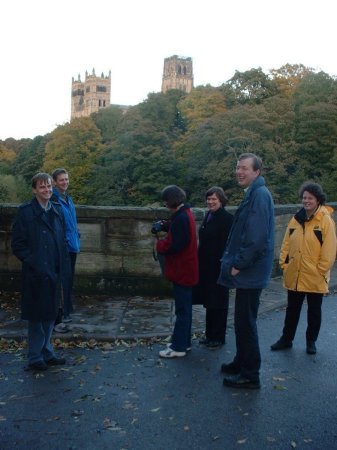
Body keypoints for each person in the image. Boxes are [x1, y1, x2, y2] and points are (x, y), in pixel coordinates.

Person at [218, 153, 274, 389]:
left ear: (256, 172)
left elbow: (256, 238)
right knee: (242, 321)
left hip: (249, 271)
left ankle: (250, 374)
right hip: (250, 272)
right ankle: (242, 362)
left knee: (246, 322)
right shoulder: (254, 193)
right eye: (238, 168)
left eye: (244, 168)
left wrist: (239, 264)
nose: (239, 172)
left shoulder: (259, 195)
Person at [11, 172, 70, 371]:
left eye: (49, 187)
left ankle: (47, 351)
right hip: (36, 273)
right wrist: (35, 262)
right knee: (37, 316)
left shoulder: (56, 210)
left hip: (54, 271)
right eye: (42, 187)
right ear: (34, 190)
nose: (47, 190)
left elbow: (61, 241)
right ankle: (35, 356)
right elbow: (18, 245)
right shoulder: (25, 212)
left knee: (51, 314)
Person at [271, 182, 336, 355]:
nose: (306, 201)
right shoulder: (296, 218)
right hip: (295, 272)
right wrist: (285, 265)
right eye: (304, 198)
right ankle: (286, 339)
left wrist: (321, 270)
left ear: (318, 200)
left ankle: (311, 342)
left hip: (315, 274)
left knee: (314, 311)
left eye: (310, 198)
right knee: (292, 309)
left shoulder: (325, 220)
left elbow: (329, 248)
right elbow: (286, 242)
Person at [156, 185, 198, 358]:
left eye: (166, 200)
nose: (165, 204)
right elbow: (179, 233)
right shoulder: (184, 214)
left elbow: (176, 245)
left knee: (182, 310)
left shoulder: (181, 218)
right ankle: (184, 342)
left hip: (182, 270)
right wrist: (167, 226)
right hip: (187, 269)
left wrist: (159, 244)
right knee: (185, 309)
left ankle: (178, 347)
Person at [193, 187, 233, 348]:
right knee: (210, 301)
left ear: (221, 200)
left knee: (219, 302)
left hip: (219, 266)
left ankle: (219, 336)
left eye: (214, 199)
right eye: (208, 199)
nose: (210, 202)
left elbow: (229, 245)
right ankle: (210, 334)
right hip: (207, 266)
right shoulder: (209, 215)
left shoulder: (227, 218)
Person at [51, 168, 80, 325]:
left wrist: (77, 234)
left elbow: (70, 222)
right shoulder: (54, 200)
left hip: (72, 245)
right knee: (62, 281)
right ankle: (60, 315)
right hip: (63, 247)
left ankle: (66, 311)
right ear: (54, 182)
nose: (65, 182)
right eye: (61, 180)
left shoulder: (67, 198)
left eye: (66, 179)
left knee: (68, 280)